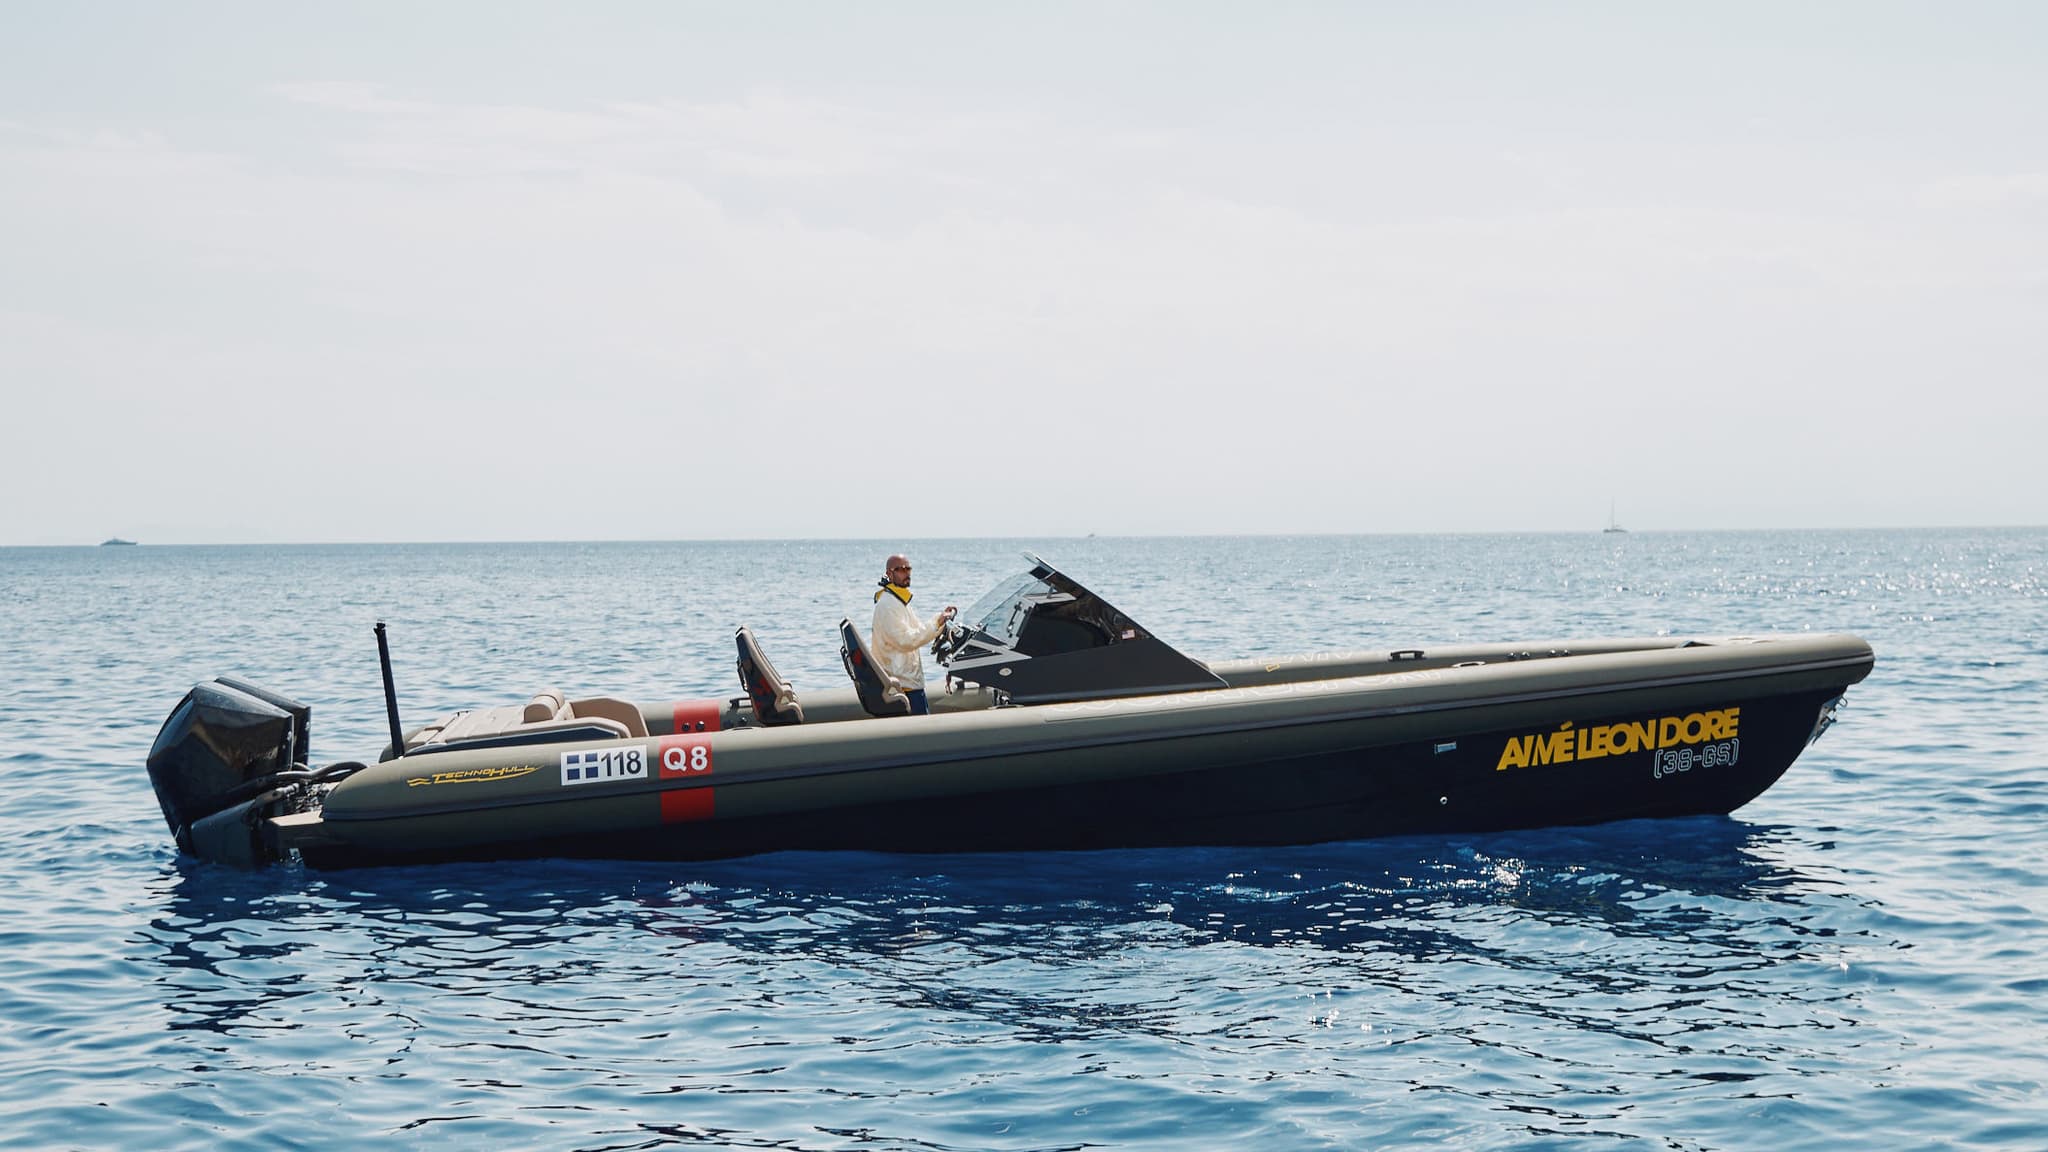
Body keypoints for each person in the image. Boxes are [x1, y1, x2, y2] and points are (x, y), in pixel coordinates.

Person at [870, 553, 957, 715]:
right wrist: (936, 623)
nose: (907, 573)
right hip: (903, 685)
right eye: (901, 569)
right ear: (889, 574)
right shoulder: (888, 605)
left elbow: (918, 630)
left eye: (908, 568)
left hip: (909, 681)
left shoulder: (898, 601)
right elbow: (907, 640)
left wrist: (940, 619)